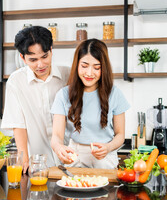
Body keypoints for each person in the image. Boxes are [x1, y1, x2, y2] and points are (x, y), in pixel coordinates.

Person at [50, 38, 130, 169]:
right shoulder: (63, 94)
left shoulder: (115, 94)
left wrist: (108, 147)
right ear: (77, 65)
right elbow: (56, 136)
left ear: (103, 68)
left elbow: (120, 134)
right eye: (84, 66)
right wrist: (59, 148)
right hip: (75, 155)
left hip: (104, 156)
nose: (89, 73)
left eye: (96, 67)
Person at [1, 26, 69, 173]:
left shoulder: (68, 75)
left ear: (51, 50)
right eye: (33, 60)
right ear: (22, 58)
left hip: (72, 161)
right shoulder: (16, 81)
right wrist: (23, 157)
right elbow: (18, 123)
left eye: (44, 56)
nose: (40, 65)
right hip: (40, 164)